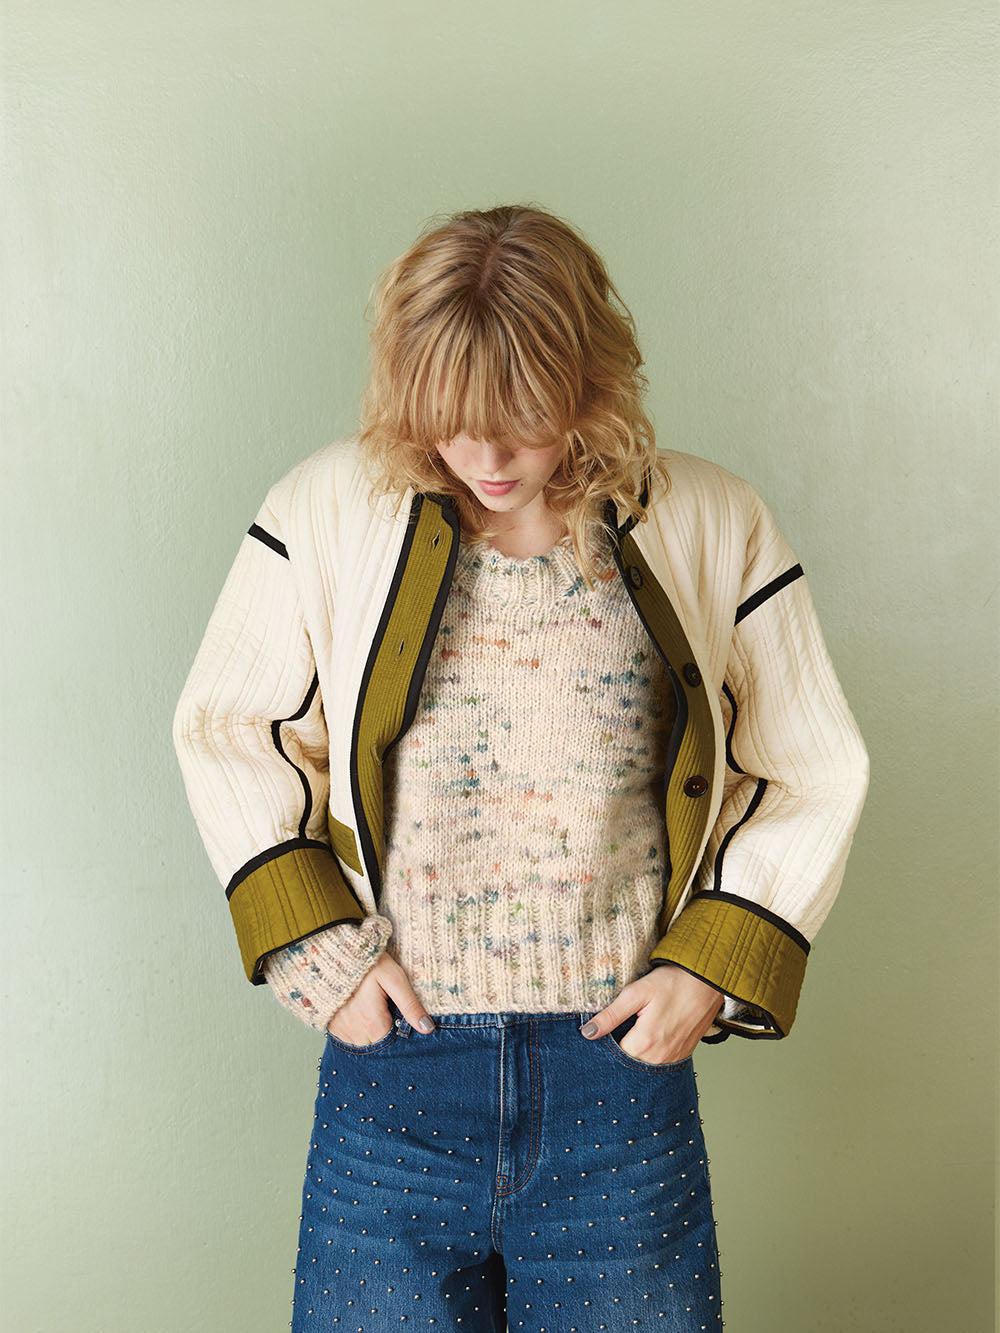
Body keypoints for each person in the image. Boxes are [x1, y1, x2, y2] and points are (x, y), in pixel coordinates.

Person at [172, 203, 869, 1331]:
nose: (488, 459)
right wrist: (320, 954)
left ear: (591, 381)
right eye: (453, 421)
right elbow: (230, 727)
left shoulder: (710, 519)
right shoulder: (325, 510)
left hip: (617, 1088)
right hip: (396, 1076)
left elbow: (809, 763)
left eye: (526, 420)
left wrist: (710, 965)